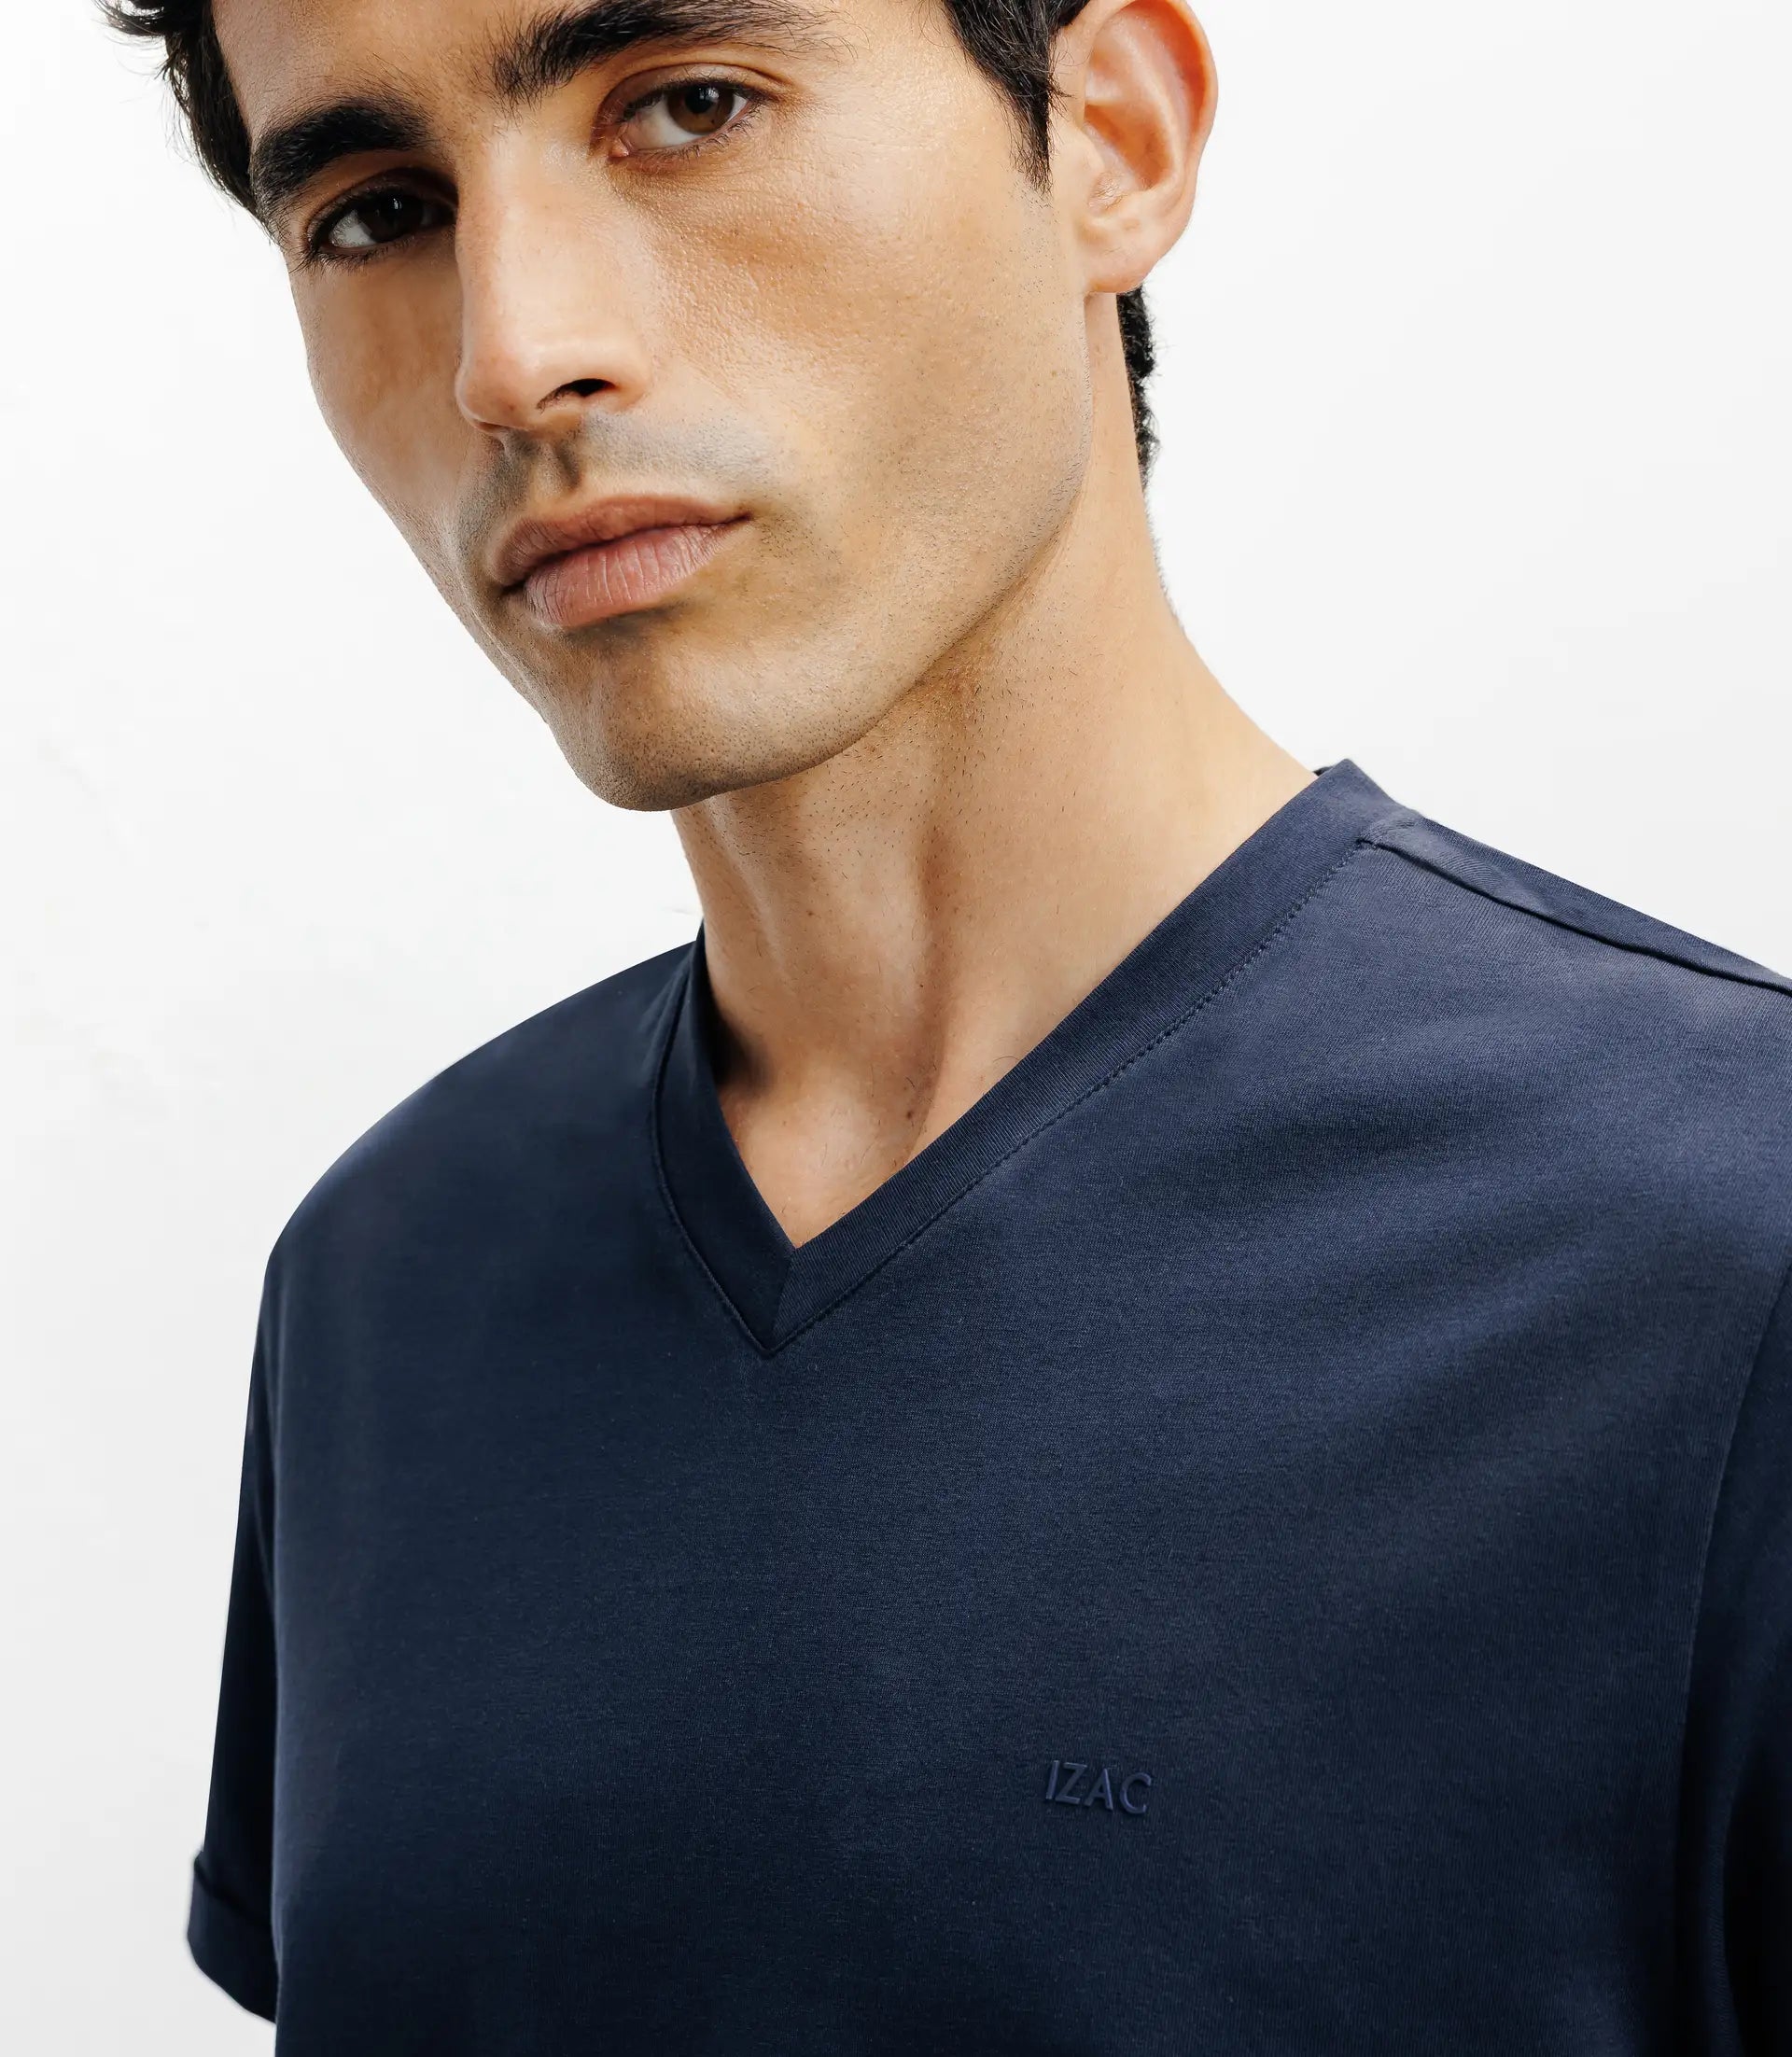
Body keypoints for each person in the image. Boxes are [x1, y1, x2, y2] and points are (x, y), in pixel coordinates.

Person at [108, 0, 1791, 2049]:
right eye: (379, 213)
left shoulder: (1733, 1252)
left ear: (1111, 138)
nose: (512, 354)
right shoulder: (388, 1275)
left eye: (689, 106)